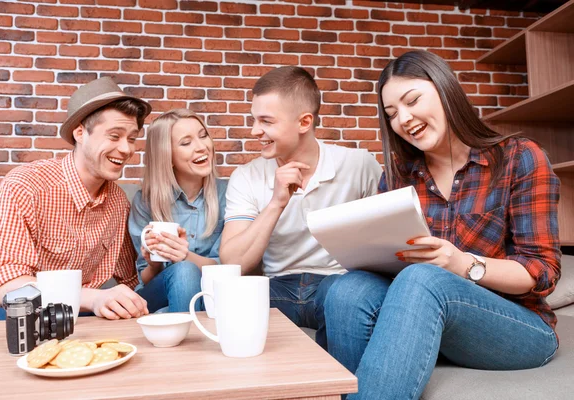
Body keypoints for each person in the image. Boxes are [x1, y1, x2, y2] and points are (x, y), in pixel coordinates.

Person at [324, 50, 561, 399]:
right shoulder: (398, 177)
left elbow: (541, 272)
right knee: (348, 288)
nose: (404, 118)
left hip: (519, 325)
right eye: (392, 114)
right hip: (434, 319)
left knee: (426, 278)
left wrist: (461, 264)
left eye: (412, 100)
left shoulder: (519, 157)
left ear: (445, 88)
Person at [220, 66, 383, 349]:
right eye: (254, 120)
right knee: (232, 300)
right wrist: (276, 202)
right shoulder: (246, 176)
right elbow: (233, 263)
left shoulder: (359, 165)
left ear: (304, 122)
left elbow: (385, 242)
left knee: (348, 296)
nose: (254, 130)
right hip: (276, 287)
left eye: (266, 121)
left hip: (337, 285)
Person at [0, 77, 152, 322]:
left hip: (77, 314)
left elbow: (130, 281)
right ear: (80, 132)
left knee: (178, 277)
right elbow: (6, 288)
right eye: (114, 136)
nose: (126, 149)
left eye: (131, 138)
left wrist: (152, 259)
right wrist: (93, 298)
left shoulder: (118, 202)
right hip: (8, 313)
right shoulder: (26, 185)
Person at [129, 109, 227, 313]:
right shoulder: (145, 201)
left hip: (213, 294)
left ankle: (176, 327)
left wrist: (185, 256)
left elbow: (225, 270)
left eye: (203, 136)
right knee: (183, 272)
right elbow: (144, 278)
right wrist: (153, 263)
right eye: (186, 143)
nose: (202, 147)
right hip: (157, 293)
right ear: (167, 156)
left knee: (184, 272)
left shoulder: (227, 195)